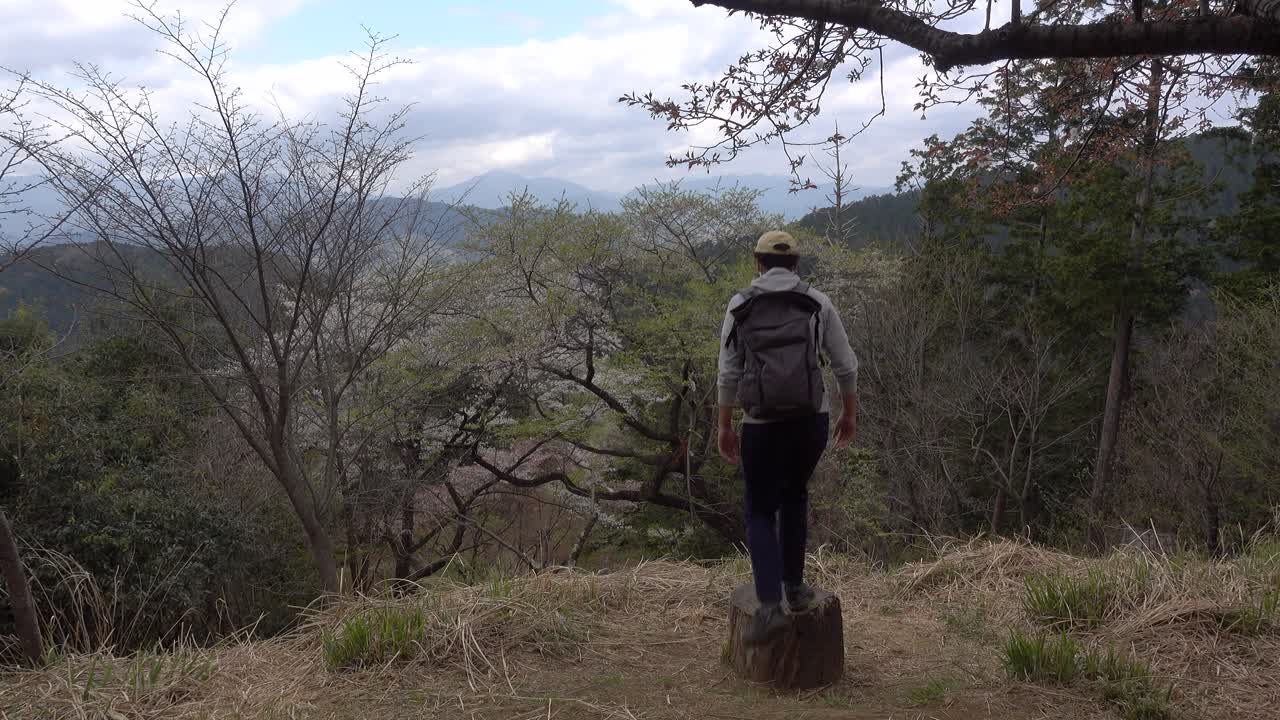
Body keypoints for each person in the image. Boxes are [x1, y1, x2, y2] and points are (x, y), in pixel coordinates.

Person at [716, 230, 858, 645]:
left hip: (760, 424)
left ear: (757, 264)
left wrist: (724, 425)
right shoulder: (817, 303)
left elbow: (728, 373)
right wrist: (849, 413)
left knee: (760, 510)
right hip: (810, 420)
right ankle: (794, 588)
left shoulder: (741, 305)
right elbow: (846, 365)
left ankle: (769, 607)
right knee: (795, 494)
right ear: (796, 265)